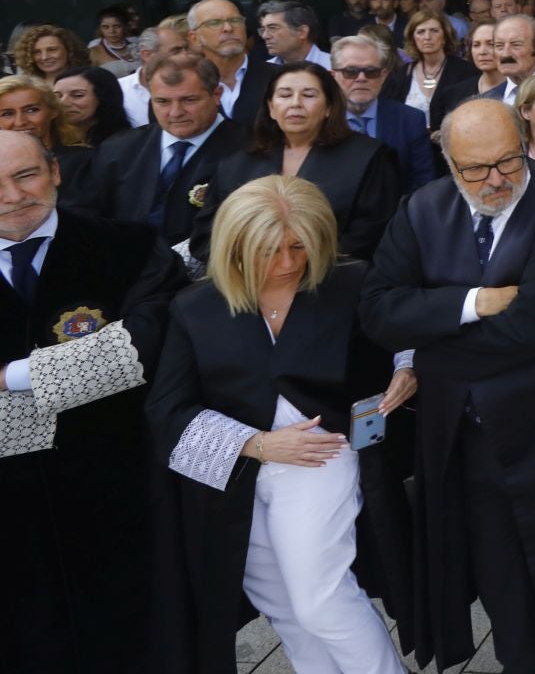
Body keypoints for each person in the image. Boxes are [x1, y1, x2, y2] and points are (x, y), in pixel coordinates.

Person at [361, 98, 535, 673]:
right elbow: (378, 310)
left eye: (508, 162)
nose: (494, 180)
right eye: (474, 169)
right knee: (495, 567)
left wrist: (430, 338)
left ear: (525, 143)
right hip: (460, 433)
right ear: (449, 161)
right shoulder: (420, 209)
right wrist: (472, 303)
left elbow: (532, 330)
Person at [145, 175, 415, 673]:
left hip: (323, 456)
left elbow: (403, 326)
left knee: (320, 598)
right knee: (283, 608)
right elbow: (167, 411)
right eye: (270, 249)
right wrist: (256, 444)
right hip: (236, 476)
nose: (289, 263)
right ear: (236, 245)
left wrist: (406, 366)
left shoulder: (349, 282)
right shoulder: (195, 308)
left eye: (299, 246)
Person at [0, 129, 190, 673]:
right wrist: (80, 379)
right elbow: (117, 357)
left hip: (119, 484)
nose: (12, 196)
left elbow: (147, 345)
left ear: (55, 171)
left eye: (26, 175)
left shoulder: (128, 247)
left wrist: (12, 378)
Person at [191, 62, 403, 267]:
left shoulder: (369, 157)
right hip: (245, 279)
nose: (295, 103)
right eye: (284, 95)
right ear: (271, 108)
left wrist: (298, 266)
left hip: (332, 280)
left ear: (329, 107)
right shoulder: (239, 161)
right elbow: (208, 234)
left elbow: (371, 235)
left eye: (309, 95)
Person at [79, 56, 245, 251]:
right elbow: (93, 219)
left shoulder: (251, 150)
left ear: (217, 94)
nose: (175, 112)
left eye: (189, 100)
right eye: (163, 101)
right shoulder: (118, 149)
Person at [330, 35, 434, 193]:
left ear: (384, 75)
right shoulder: (319, 120)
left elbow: (423, 183)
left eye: (371, 72)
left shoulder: (410, 120)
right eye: (350, 72)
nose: (361, 78)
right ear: (333, 76)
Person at [0, 71, 94, 197]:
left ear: (53, 111)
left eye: (31, 110)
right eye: (7, 114)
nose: (20, 122)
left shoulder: (85, 162)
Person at [386, 10, 476, 125]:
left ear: (445, 36)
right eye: (421, 32)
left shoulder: (466, 71)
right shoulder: (402, 74)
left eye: (434, 31)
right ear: (413, 38)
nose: (427, 37)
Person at [190, 0, 269, 126]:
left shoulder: (279, 77)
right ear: (194, 38)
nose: (228, 28)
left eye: (235, 20)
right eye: (215, 23)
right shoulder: (182, 86)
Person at [53, 63, 132, 148]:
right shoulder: (47, 140)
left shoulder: (124, 143)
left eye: (77, 95)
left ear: (103, 97)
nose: (63, 102)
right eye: (57, 96)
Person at [258, 1, 330, 70]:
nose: (265, 36)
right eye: (263, 30)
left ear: (302, 32)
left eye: (273, 28)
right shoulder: (264, 71)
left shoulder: (333, 68)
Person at [11, 23, 87, 82]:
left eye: (52, 50)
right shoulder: (26, 86)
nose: (44, 57)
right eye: (37, 52)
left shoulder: (88, 80)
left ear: (69, 49)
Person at [88, 4, 137, 72]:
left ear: (125, 27)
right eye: (105, 27)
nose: (112, 31)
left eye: (117, 26)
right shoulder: (94, 52)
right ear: (100, 29)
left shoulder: (137, 45)